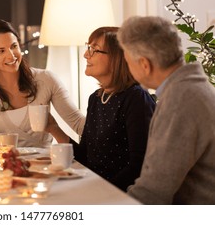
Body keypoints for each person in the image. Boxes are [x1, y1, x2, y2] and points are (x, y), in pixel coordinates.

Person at [117, 15, 215, 204]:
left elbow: (152, 192)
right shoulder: (193, 87)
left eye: (128, 62)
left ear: (145, 65)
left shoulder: (181, 101)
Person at [62, 27, 155, 191]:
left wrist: (101, 192)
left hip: (122, 195)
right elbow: (85, 157)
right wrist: (53, 128)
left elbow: (139, 165)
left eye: (94, 50)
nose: (85, 55)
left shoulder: (136, 98)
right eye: (88, 47)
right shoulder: (96, 98)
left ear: (118, 57)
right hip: (97, 189)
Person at [0, 19, 85, 148]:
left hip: (46, 165)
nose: (11, 56)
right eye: (1, 51)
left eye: (14, 46)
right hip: (7, 165)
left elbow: (77, 123)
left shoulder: (46, 80)